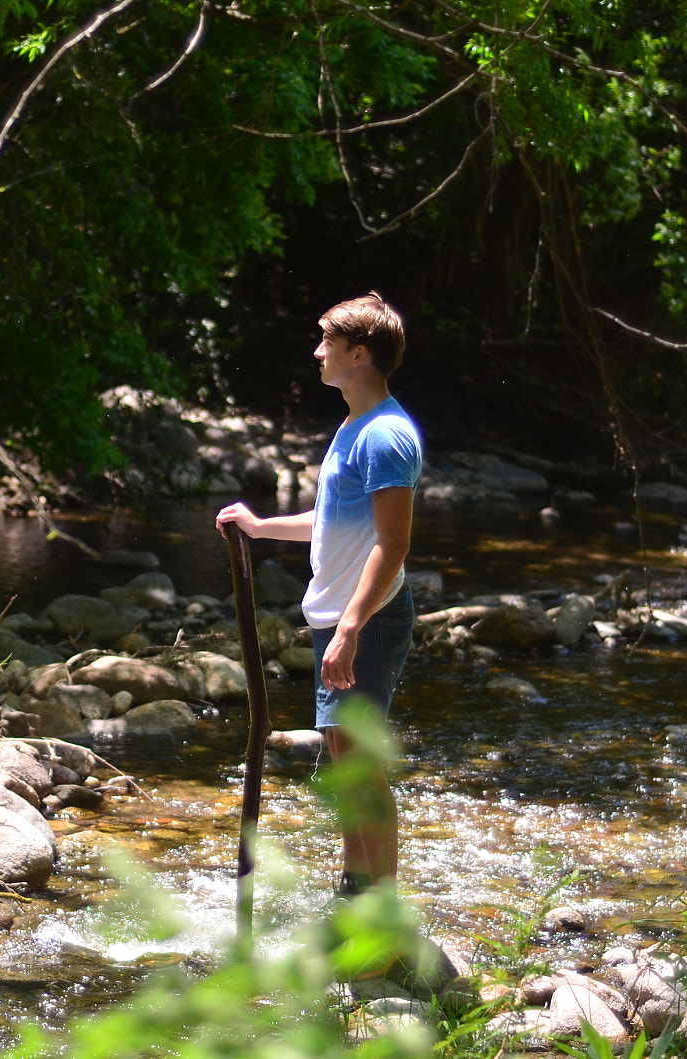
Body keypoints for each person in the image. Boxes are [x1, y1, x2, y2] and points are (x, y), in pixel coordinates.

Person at [215, 291, 421, 898]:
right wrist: (260, 527)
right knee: (346, 767)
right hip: (344, 619)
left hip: (370, 621)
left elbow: (393, 543)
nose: (316, 351)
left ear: (359, 354)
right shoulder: (354, 427)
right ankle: (354, 896)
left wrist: (353, 629)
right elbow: (334, 521)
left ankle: (379, 921)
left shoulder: (386, 436)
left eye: (327, 341)